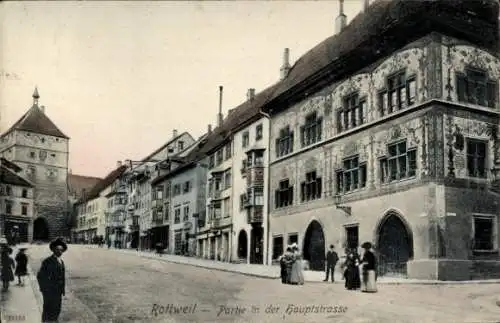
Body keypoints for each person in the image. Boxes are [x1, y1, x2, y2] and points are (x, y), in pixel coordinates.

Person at [37, 237, 67, 323]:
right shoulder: (47, 261)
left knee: (57, 307)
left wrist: (62, 289)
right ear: (53, 250)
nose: (60, 252)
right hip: (49, 291)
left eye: (61, 250)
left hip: (58, 290)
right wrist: (44, 289)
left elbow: (62, 277)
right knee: (48, 309)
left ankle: (54, 320)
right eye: (57, 249)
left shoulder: (61, 261)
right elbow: (40, 276)